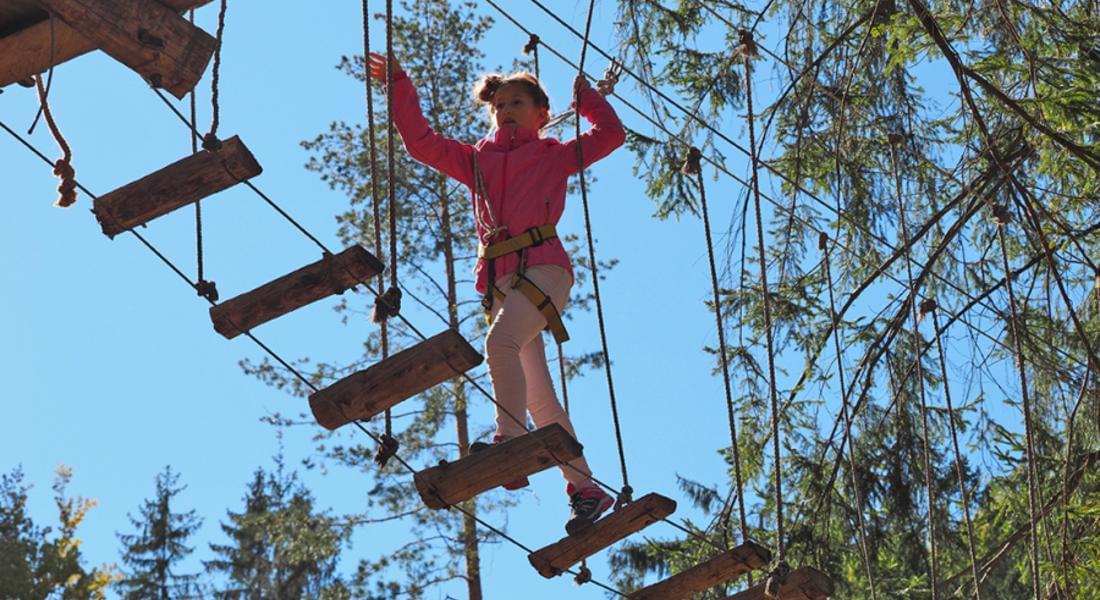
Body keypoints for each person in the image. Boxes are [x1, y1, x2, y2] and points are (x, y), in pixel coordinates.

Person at [368, 52, 626, 535]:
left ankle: (510, 438)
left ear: (541, 115)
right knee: (542, 399)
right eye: (499, 104)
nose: (505, 110)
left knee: (498, 346)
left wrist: (588, 100)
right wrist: (400, 83)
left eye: (517, 102)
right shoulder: (476, 160)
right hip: (503, 283)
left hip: (546, 269)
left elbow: (610, 136)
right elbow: (421, 143)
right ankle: (586, 489)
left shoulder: (551, 154)